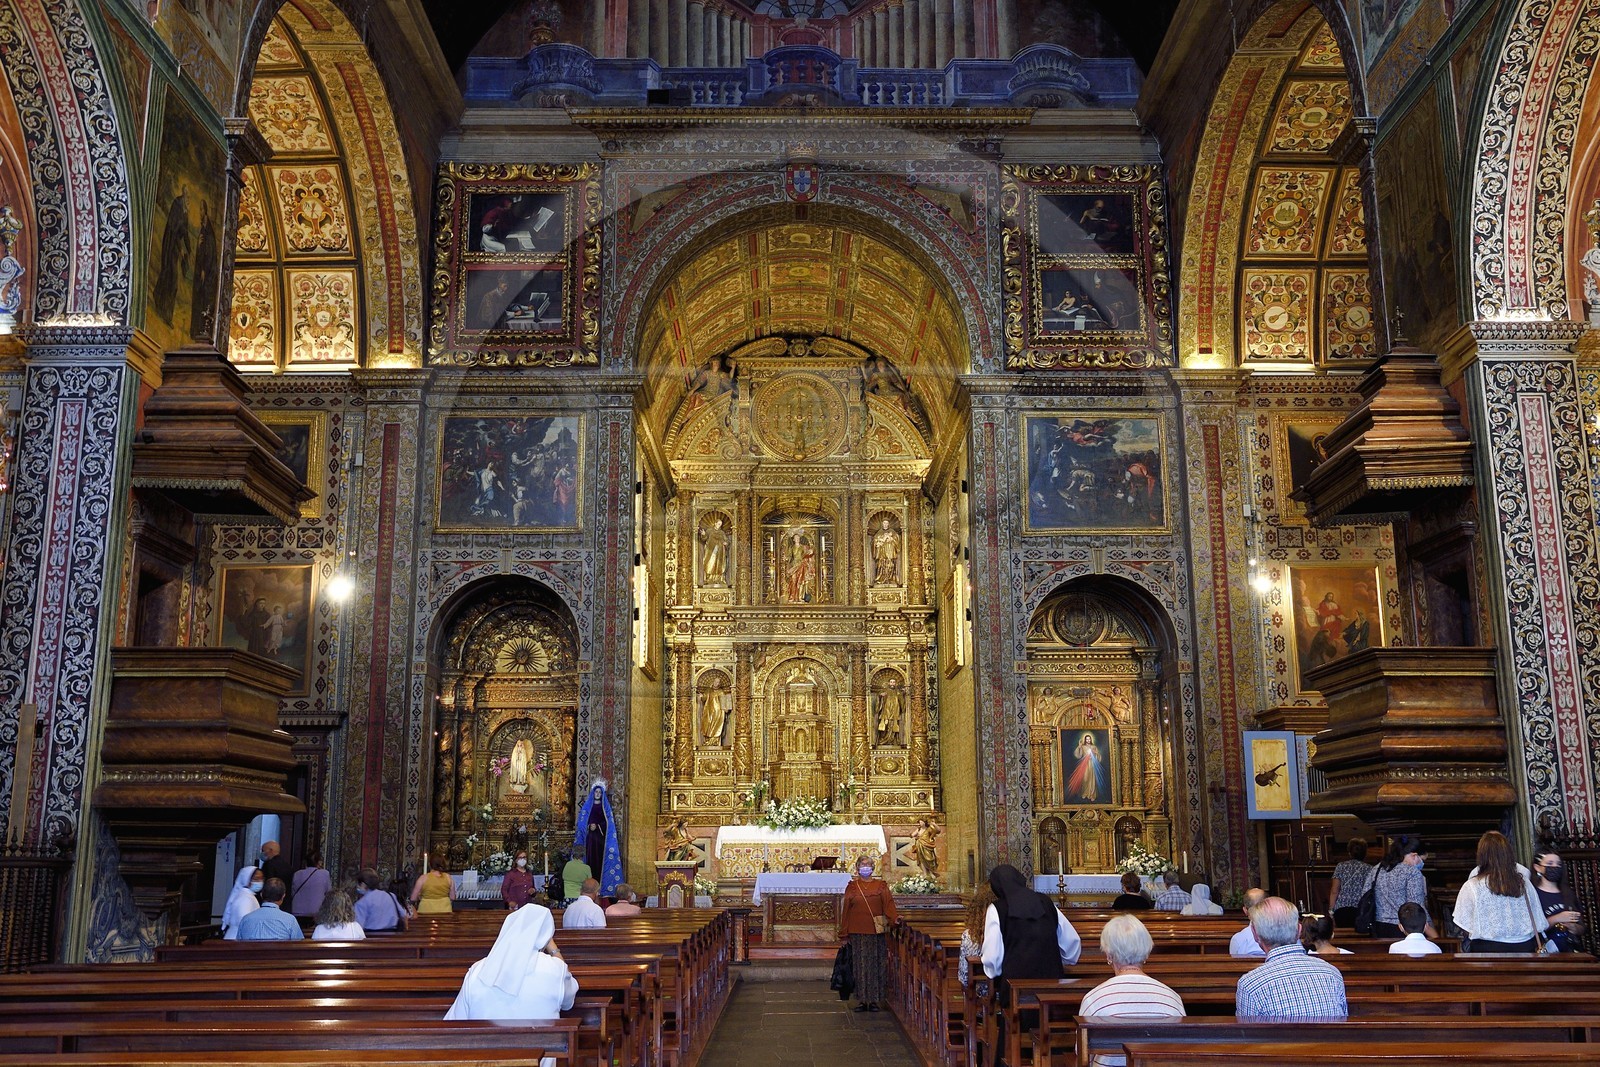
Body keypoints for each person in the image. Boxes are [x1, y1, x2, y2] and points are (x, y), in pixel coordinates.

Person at [446, 903, 579, 1054]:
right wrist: (553, 949)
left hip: (485, 1060)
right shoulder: (554, 969)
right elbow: (569, 1001)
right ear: (546, 937)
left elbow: (455, 1021)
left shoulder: (478, 969)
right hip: (538, 1061)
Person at [1078, 916, 1185, 1067]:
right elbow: (1179, 1052)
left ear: (1109, 955)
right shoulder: (1172, 998)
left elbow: (1082, 1053)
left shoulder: (1093, 999)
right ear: (1147, 953)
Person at [1234, 897, 1347, 1019]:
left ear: (1255, 934)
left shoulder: (1249, 985)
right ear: (1299, 930)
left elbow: (1248, 1035)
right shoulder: (1332, 973)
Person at [980, 863, 1083, 980]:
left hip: (1014, 986)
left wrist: (993, 973)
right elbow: (1071, 942)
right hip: (1051, 982)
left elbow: (991, 957)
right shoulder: (1046, 902)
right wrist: (1063, 962)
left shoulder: (997, 909)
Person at [1452, 830, 1548, 952]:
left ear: (1481, 855)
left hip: (1487, 951)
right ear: (1508, 853)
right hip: (1525, 948)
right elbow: (1538, 919)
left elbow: (1464, 924)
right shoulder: (1524, 883)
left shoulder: (1471, 886)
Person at [837, 854, 899, 1012]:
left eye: (868, 865)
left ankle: (874, 1000)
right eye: (863, 865)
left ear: (872, 868)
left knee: (876, 966)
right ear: (857, 868)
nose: (866, 867)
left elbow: (889, 905)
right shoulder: (852, 887)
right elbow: (846, 912)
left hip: (876, 933)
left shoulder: (881, 886)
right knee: (860, 966)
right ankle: (862, 1000)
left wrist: (895, 919)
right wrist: (844, 934)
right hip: (857, 933)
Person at [1371, 835, 1434, 939]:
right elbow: (1416, 908)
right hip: (1404, 928)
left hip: (1378, 927)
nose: (1422, 864)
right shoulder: (1412, 872)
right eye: (1422, 860)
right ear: (1414, 855)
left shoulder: (1377, 869)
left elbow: (1366, 893)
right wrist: (1435, 936)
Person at [1533, 850, 1584, 952]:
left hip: (1570, 950)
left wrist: (1574, 927)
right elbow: (1532, 929)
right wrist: (1557, 918)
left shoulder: (1568, 893)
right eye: (1550, 863)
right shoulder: (1533, 894)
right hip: (1544, 952)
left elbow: (1582, 927)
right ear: (1538, 867)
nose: (1555, 867)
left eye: (1558, 864)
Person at [235, 878, 304, 941]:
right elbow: (299, 945)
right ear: (283, 896)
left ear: (261, 895)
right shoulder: (290, 920)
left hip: (251, 955)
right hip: (279, 955)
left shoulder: (246, 919)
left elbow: (239, 944)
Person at [1327, 838, 1372, 928]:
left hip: (1341, 909)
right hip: (1360, 909)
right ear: (1365, 853)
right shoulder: (1370, 869)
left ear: (1349, 852)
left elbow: (1334, 890)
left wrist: (1331, 910)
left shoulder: (1341, 866)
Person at [958, 884, 996, 987]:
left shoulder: (970, 936)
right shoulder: (1007, 931)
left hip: (981, 990)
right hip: (1005, 990)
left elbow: (964, 976)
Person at [353, 868, 406, 932]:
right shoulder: (391, 896)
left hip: (371, 937)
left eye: (358, 884)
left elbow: (358, 926)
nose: (357, 886)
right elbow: (403, 914)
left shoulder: (361, 903)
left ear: (363, 884)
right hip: (393, 936)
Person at [221, 866, 262, 940]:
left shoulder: (248, 896)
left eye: (261, 879)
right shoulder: (245, 899)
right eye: (256, 879)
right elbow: (244, 922)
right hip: (238, 940)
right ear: (247, 880)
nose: (259, 881)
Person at [1066, 731, 1109, 802]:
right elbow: (1078, 755)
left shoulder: (1094, 747)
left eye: (1089, 739)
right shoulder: (1082, 747)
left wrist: (1096, 753)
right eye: (1087, 739)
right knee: (1085, 779)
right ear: (1085, 740)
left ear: (1091, 739)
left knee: (1092, 779)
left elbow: (1099, 758)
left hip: (1092, 764)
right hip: (1084, 764)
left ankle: (1092, 794)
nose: (1088, 740)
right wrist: (1079, 747)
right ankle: (1085, 793)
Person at [289, 851, 331, 920]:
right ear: (319, 862)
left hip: (297, 910)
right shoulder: (325, 874)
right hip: (316, 911)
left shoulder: (297, 874)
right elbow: (329, 893)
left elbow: (293, 892)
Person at [1228, 888, 1268, 956]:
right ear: (1268, 907)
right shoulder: (1282, 934)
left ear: (1245, 910)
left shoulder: (1238, 939)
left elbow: (1234, 965)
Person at [259, 841, 292, 909]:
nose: (262, 853)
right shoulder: (287, 865)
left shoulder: (268, 865)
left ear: (270, 850)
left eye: (263, 850)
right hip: (285, 902)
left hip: (270, 902)